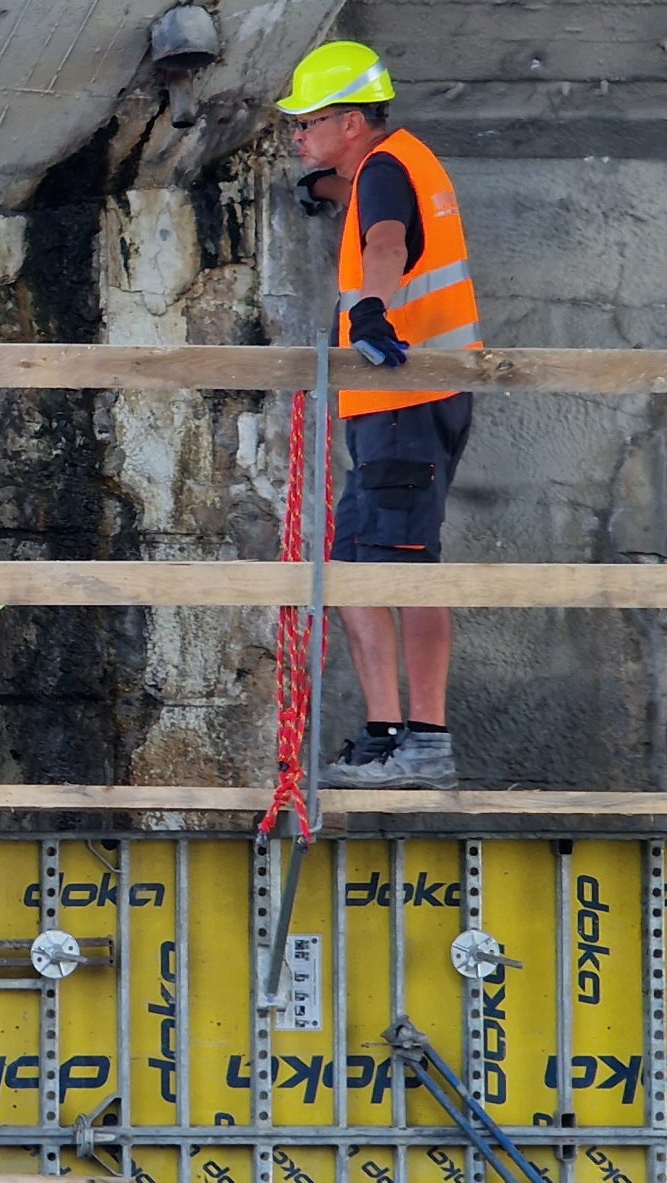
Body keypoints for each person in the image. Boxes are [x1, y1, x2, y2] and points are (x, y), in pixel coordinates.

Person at [283, 40, 481, 790]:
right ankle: (388, 735)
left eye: (308, 122)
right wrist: (327, 190)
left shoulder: (388, 172)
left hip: (404, 401)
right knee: (360, 567)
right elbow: (381, 213)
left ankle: (423, 742)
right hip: (405, 406)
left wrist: (369, 307)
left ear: (351, 123)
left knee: (404, 568)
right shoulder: (393, 165)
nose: (298, 136)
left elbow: (388, 241)